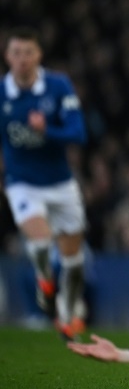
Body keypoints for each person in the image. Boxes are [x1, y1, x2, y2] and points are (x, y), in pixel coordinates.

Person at [1, 27, 89, 341]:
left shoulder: (58, 86)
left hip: (61, 183)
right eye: (16, 52)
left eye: (28, 52)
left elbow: (79, 134)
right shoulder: (2, 93)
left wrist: (47, 130)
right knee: (39, 237)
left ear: (39, 55)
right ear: (7, 55)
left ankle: (67, 310)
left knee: (73, 260)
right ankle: (44, 281)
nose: (22, 59)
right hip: (22, 182)